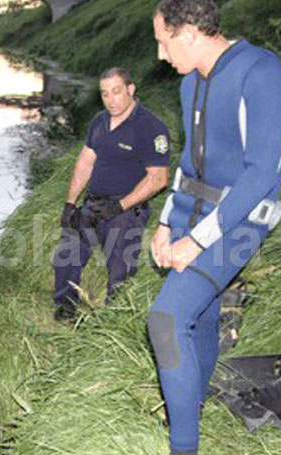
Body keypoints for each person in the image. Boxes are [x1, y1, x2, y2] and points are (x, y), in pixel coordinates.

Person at [148, 1, 281, 455]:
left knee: (167, 319)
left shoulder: (262, 74)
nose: (159, 53)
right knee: (201, 310)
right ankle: (194, 400)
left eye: (163, 40)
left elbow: (259, 177)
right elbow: (189, 168)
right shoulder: (191, 81)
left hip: (242, 220)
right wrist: (167, 224)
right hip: (196, 211)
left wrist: (196, 242)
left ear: (190, 32)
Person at [53, 67, 170, 320]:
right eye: (105, 94)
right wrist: (70, 205)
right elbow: (85, 163)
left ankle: (113, 321)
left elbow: (159, 179)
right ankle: (66, 309)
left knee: (120, 270)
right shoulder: (99, 121)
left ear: (131, 89)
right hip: (93, 205)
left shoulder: (151, 127)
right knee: (66, 255)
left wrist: (120, 206)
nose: (111, 100)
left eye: (116, 92)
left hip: (126, 211)